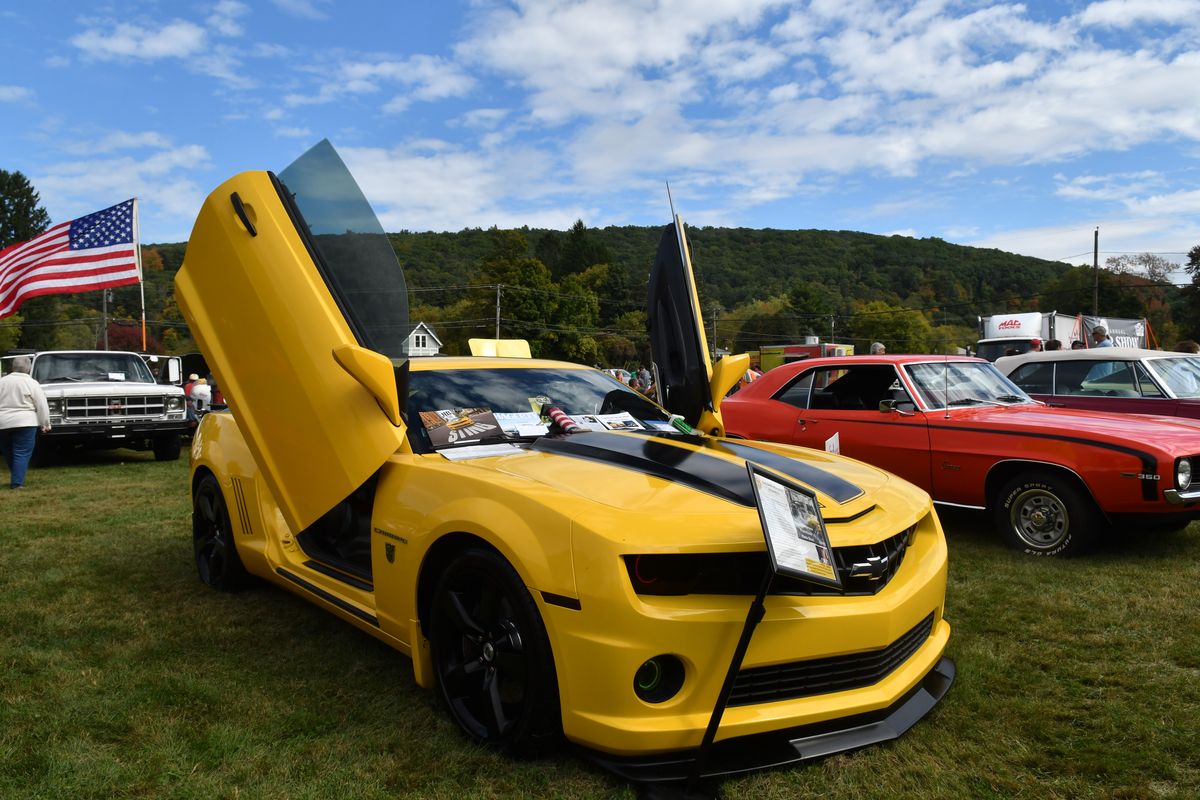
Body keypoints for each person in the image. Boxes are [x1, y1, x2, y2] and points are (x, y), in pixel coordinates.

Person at [0, 356, 51, 489]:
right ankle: (17, 483)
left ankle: (16, 477)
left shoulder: (2, 381)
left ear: (12, 367)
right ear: (29, 369)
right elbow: (41, 405)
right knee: (21, 452)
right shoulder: (32, 383)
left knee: (8, 451)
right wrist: (45, 423)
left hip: (2, 422)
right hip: (25, 422)